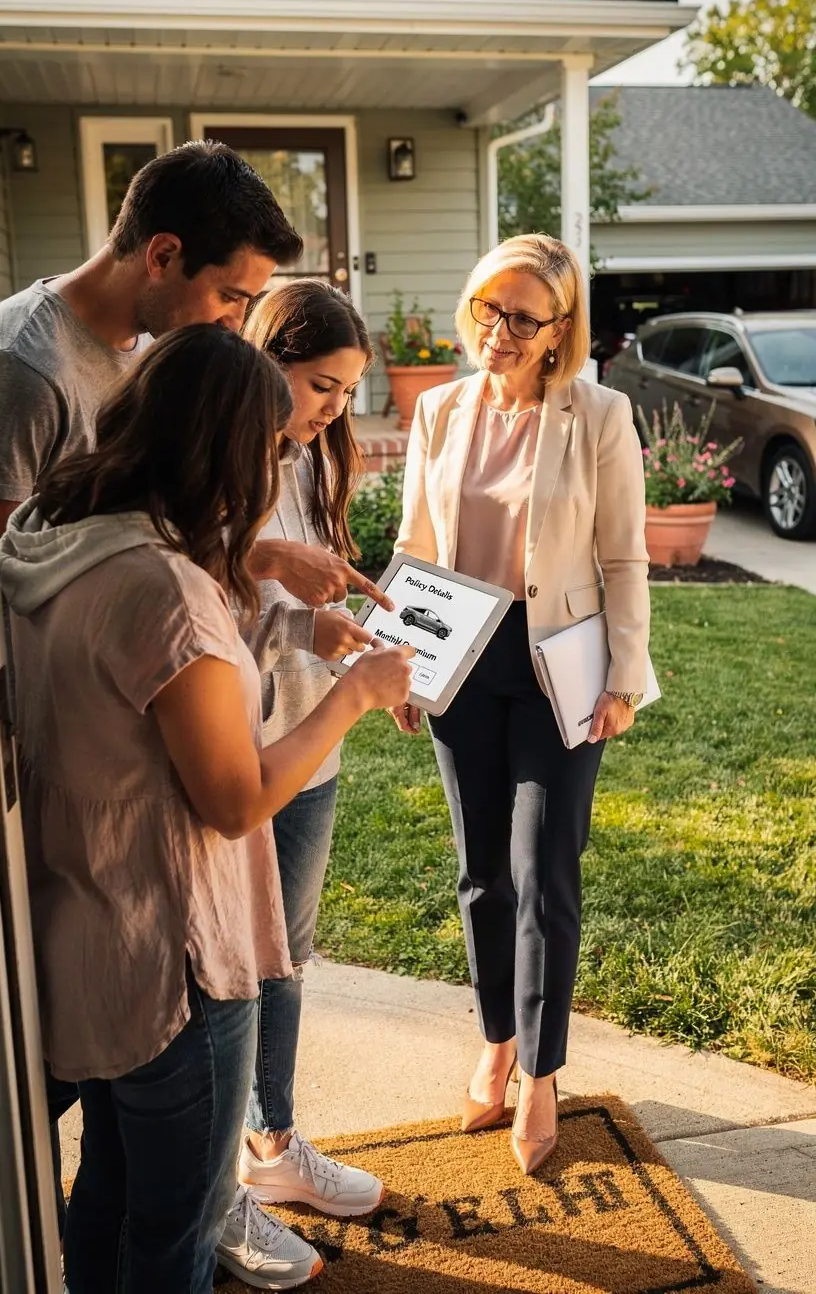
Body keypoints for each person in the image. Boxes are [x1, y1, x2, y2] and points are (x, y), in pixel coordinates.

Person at [0, 325, 413, 1293]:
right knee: (176, 1243)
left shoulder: (59, 538)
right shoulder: (165, 591)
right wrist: (356, 695)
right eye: (272, 449)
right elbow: (235, 799)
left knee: (102, 1199)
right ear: (226, 449)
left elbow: (156, 683)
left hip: (91, 936)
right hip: (178, 967)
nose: (281, 468)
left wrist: (292, 619)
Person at [393, 233, 650, 1176]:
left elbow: (624, 554)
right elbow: (419, 547)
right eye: (485, 309)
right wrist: (409, 667)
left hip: (562, 667)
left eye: (522, 318)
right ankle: (496, 1037)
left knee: (544, 869)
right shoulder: (438, 411)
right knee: (478, 872)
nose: (497, 331)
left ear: (559, 331)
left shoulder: (601, 415)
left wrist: (625, 674)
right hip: (462, 659)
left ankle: (541, 1072)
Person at [216, 280, 384, 1254]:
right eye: (320, 385)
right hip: (242, 746)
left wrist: (369, 663)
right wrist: (275, 566)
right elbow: (199, 594)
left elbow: (308, 611)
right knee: (236, 963)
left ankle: (272, 1139)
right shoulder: (219, 455)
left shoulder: (317, 453)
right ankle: (226, 1173)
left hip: (312, 740)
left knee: (288, 953)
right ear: (266, 355)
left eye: (345, 392)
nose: (330, 410)